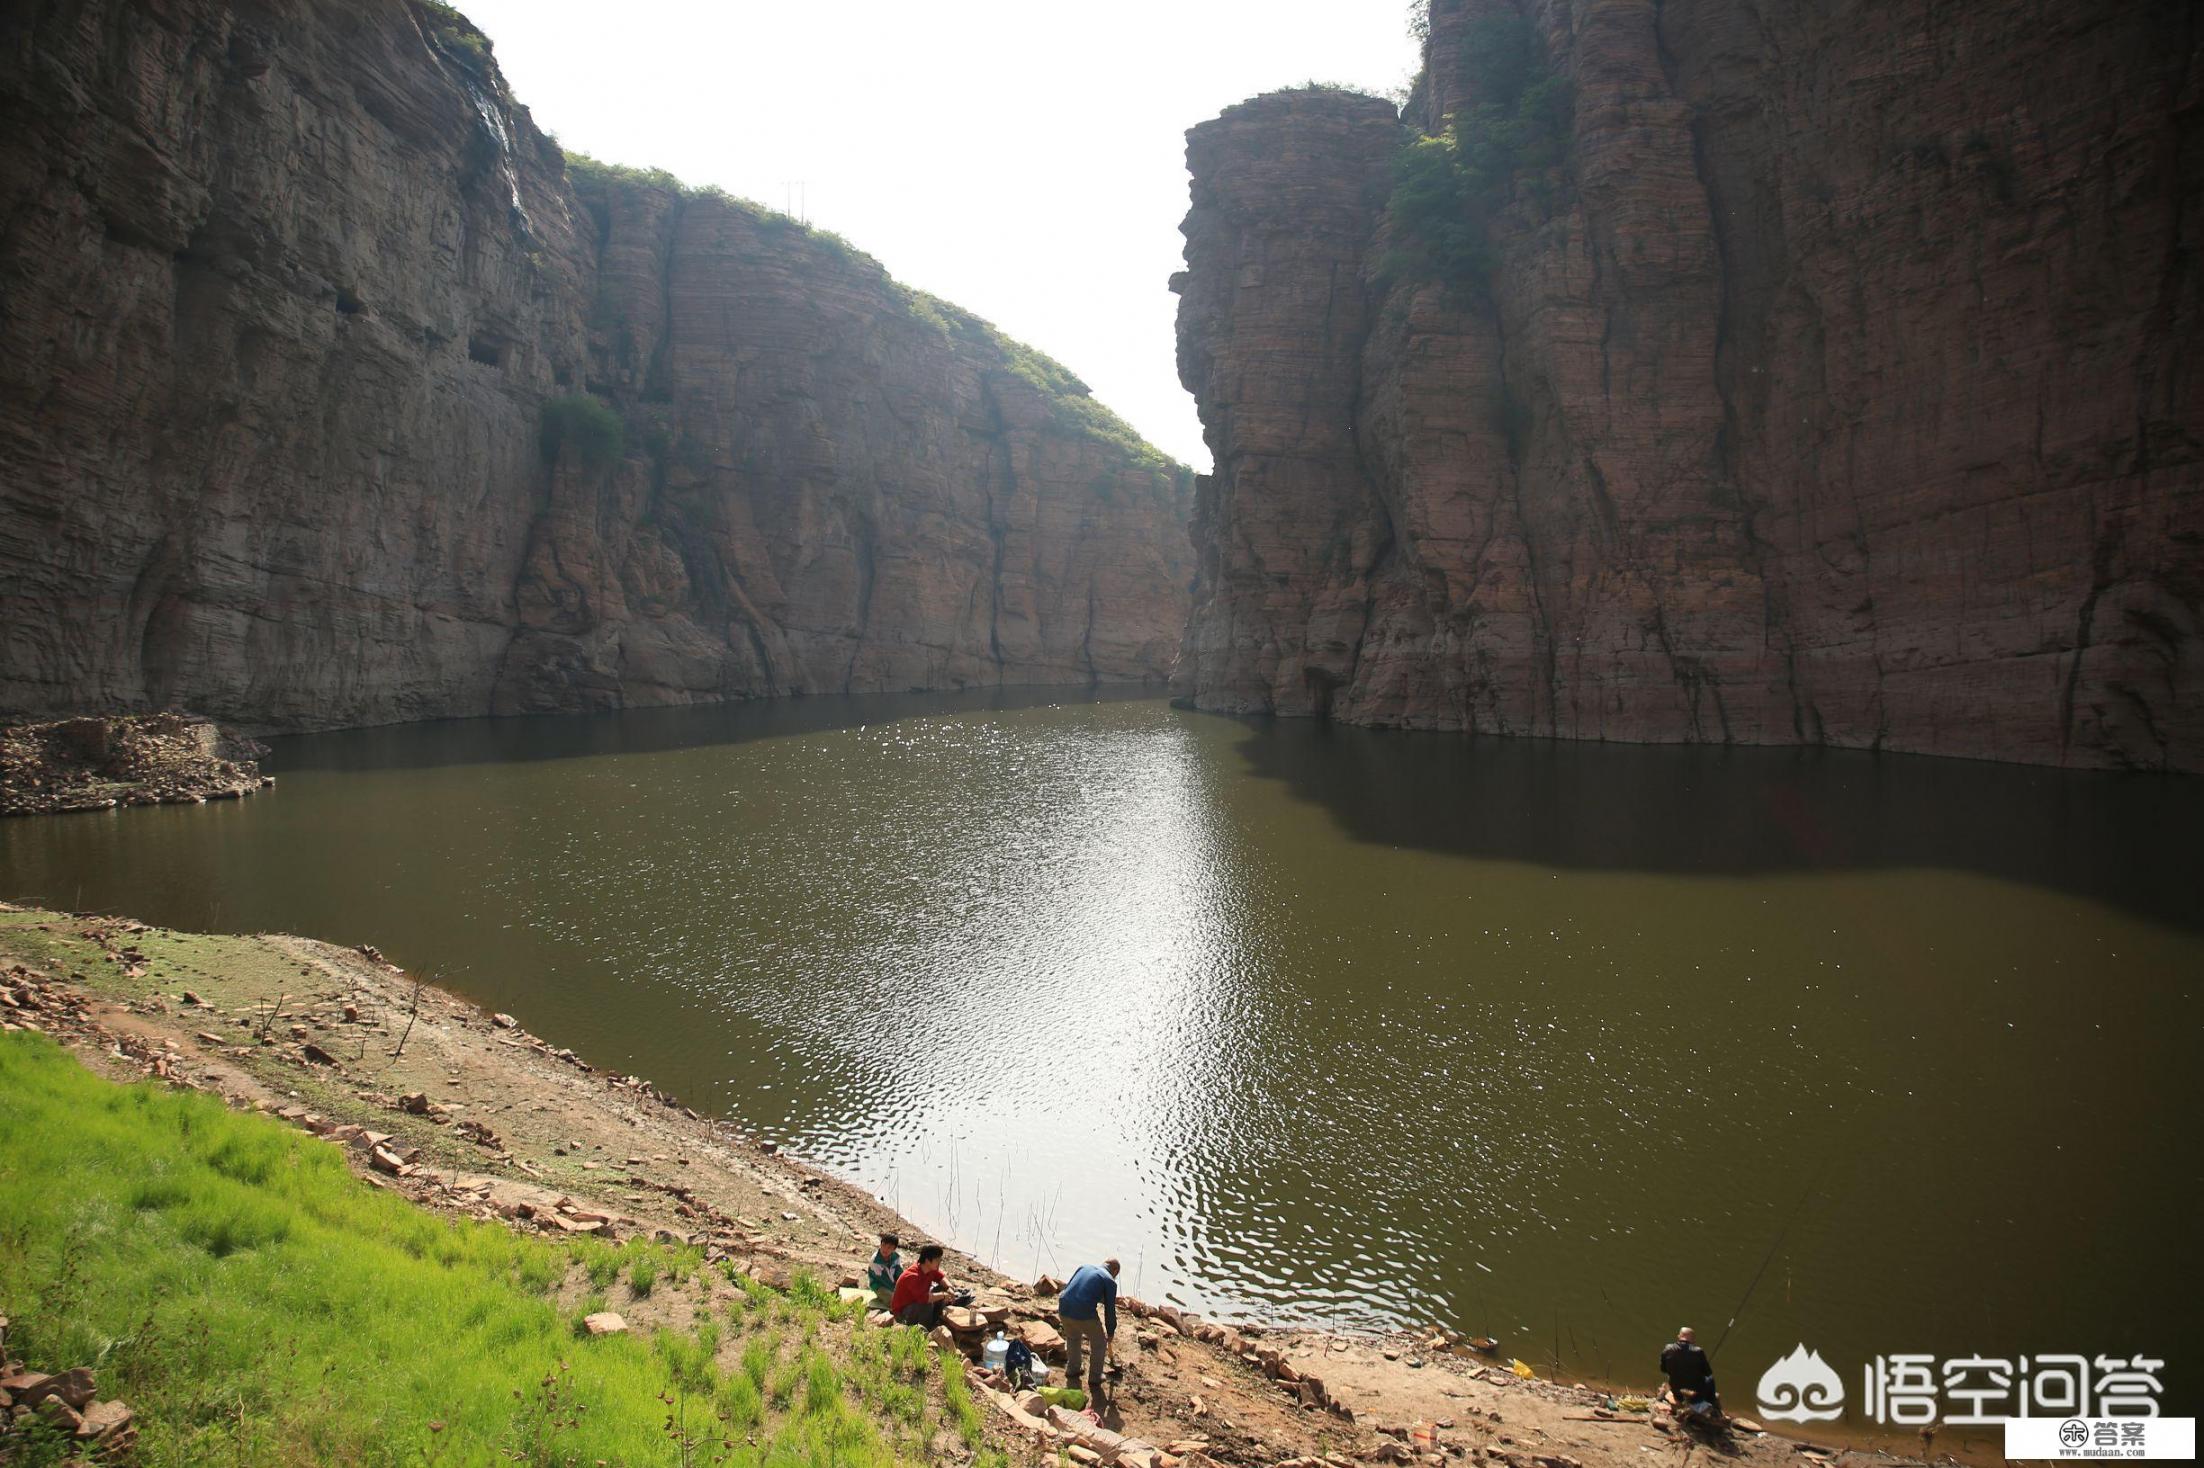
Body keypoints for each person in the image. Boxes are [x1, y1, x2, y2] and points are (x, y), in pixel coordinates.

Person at [1057, 1258, 1121, 1407]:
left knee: (1073, 1337)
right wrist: (1110, 1331)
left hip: (1064, 1307)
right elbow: (1109, 1310)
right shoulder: (1109, 1281)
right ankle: (1095, 1377)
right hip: (1083, 1312)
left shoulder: (1084, 1267)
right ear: (1115, 1271)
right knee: (1099, 1343)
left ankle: (1073, 1369)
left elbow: (1071, 1289)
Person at [1660, 1326, 1722, 1420]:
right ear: (1693, 1340)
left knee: (1672, 1376)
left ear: (1679, 1336)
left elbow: (1663, 1369)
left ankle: (1690, 1404)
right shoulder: (1698, 1352)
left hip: (1677, 1393)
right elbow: (1708, 1372)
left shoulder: (1667, 1349)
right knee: (1710, 1379)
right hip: (1695, 1396)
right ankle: (1709, 1404)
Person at [890, 1242, 953, 1328]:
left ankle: (937, 1319)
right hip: (903, 1312)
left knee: (941, 1288)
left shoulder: (929, 1269)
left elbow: (940, 1277)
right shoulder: (912, 1276)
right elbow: (924, 1298)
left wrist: (949, 1287)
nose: (939, 1263)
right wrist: (943, 1295)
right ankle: (925, 1329)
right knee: (926, 1305)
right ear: (927, 1261)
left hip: (915, 1304)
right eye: (937, 1260)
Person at [866, 1232, 903, 1307]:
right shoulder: (875, 1261)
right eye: (883, 1245)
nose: (885, 1249)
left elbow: (899, 1273)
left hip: (892, 1283)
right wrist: (896, 1292)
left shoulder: (896, 1258)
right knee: (894, 1301)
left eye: (889, 1247)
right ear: (880, 1244)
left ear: (894, 1249)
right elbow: (883, 1280)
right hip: (879, 1285)